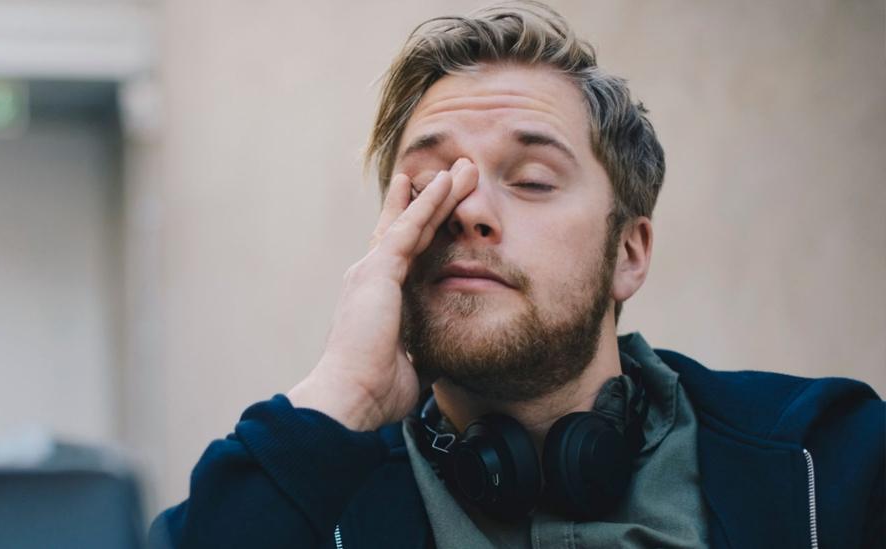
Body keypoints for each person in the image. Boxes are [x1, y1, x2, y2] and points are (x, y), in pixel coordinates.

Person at [149, 3, 884, 548]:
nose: (468, 213)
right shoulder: (300, 499)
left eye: (531, 180)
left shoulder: (835, 461)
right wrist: (341, 396)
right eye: (430, 184)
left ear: (629, 252)